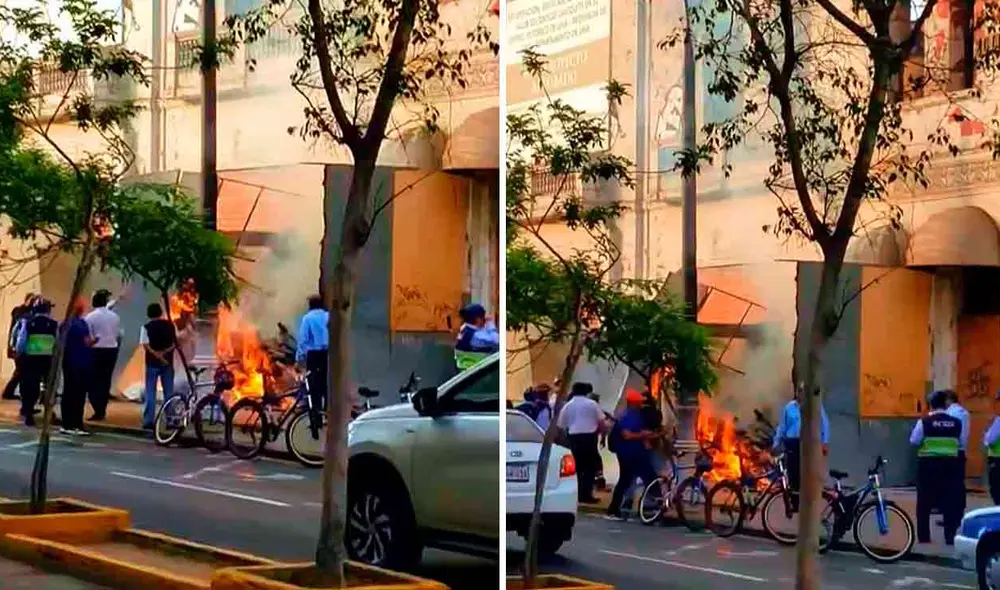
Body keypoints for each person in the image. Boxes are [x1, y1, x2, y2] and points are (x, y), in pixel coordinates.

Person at [910, 390, 964, 545]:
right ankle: (950, 536)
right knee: (950, 501)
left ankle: (924, 537)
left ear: (931, 405)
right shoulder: (956, 422)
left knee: (924, 502)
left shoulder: (925, 422)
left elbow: (914, 441)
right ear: (946, 404)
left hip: (928, 466)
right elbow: (960, 443)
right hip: (950, 466)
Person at [773, 383, 830, 509]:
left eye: (804, 391)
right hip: (792, 443)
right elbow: (782, 427)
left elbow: (824, 423)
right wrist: (776, 443)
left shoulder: (815, 407)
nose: (801, 394)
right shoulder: (789, 408)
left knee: (807, 472)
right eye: (799, 391)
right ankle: (795, 503)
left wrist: (825, 442)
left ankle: (808, 502)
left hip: (808, 443)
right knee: (793, 473)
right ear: (797, 393)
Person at [607, 389, 659, 519]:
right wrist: (642, 435)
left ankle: (614, 509)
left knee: (626, 481)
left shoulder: (635, 414)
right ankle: (655, 507)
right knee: (651, 479)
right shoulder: (628, 416)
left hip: (633, 452)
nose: (641, 404)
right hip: (631, 453)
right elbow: (627, 435)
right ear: (632, 403)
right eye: (639, 402)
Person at [557, 382, 605, 504]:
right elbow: (601, 421)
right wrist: (602, 435)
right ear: (586, 392)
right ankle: (586, 494)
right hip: (590, 438)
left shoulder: (568, 406)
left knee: (577, 468)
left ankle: (577, 494)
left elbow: (561, 425)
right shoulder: (592, 404)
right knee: (589, 468)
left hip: (574, 439)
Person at [14, 298, 57, 427]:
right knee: (48, 386)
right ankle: (49, 412)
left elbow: (21, 342)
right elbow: (58, 343)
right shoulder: (54, 324)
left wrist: (19, 354)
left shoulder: (28, 323)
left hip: (30, 359)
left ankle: (28, 413)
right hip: (47, 360)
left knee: (30, 387)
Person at [84, 289, 121, 421]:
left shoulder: (90, 317)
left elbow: (88, 336)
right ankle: (102, 408)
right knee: (105, 380)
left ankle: (97, 407)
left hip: (96, 350)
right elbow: (117, 334)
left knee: (93, 380)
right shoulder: (115, 317)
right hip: (111, 350)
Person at [60, 297, 94, 436]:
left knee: (69, 392)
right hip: (81, 362)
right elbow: (87, 342)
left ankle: (67, 423)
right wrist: (94, 341)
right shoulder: (81, 324)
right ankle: (76, 423)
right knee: (78, 394)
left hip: (68, 362)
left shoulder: (65, 324)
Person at [140, 303, 177, 430]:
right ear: (161, 313)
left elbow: (145, 344)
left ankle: (148, 421)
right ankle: (170, 420)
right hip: (167, 363)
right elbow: (175, 344)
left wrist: (157, 355)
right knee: (169, 392)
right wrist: (164, 354)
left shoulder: (146, 327)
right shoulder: (170, 326)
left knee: (150, 392)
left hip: (151, 363)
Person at [296, 295, 329, 418]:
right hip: (327, 355)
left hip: (314, 356)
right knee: (326, 385)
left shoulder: (307, 318)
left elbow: (303, 341)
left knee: (313, 387)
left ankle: (316, 417)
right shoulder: (328, 317)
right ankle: (327, 414)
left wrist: (299, 359)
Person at [3, 293, 36, 400]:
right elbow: (19, 318)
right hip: (17, 346)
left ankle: (10, 392)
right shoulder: (18, 311)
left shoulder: (28, 312)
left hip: (18, 346)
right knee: (20, 371)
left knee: (20, 371)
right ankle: (8, 393)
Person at [945, 389, 970, 514]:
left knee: (950, 484)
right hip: (961, 451)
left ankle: (951, 511)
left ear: (948, 400)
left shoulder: (951, 413)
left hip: (951, 451)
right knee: (958, 482)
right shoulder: (963, 412)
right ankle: (959, 508)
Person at [454, 303, 499, 370]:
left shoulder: (465, 328)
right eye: (483, 317)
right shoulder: (476, 336)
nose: (485, 319)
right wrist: (490, 324)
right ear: (478, 319)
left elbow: (479, 331)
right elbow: (497, 341)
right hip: (475, 370)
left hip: (465, 367)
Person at [982, 390, 1000, 505]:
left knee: (997, 489)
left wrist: (986, 434)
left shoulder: (998, 420)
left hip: (997, 459)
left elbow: (991, 439)